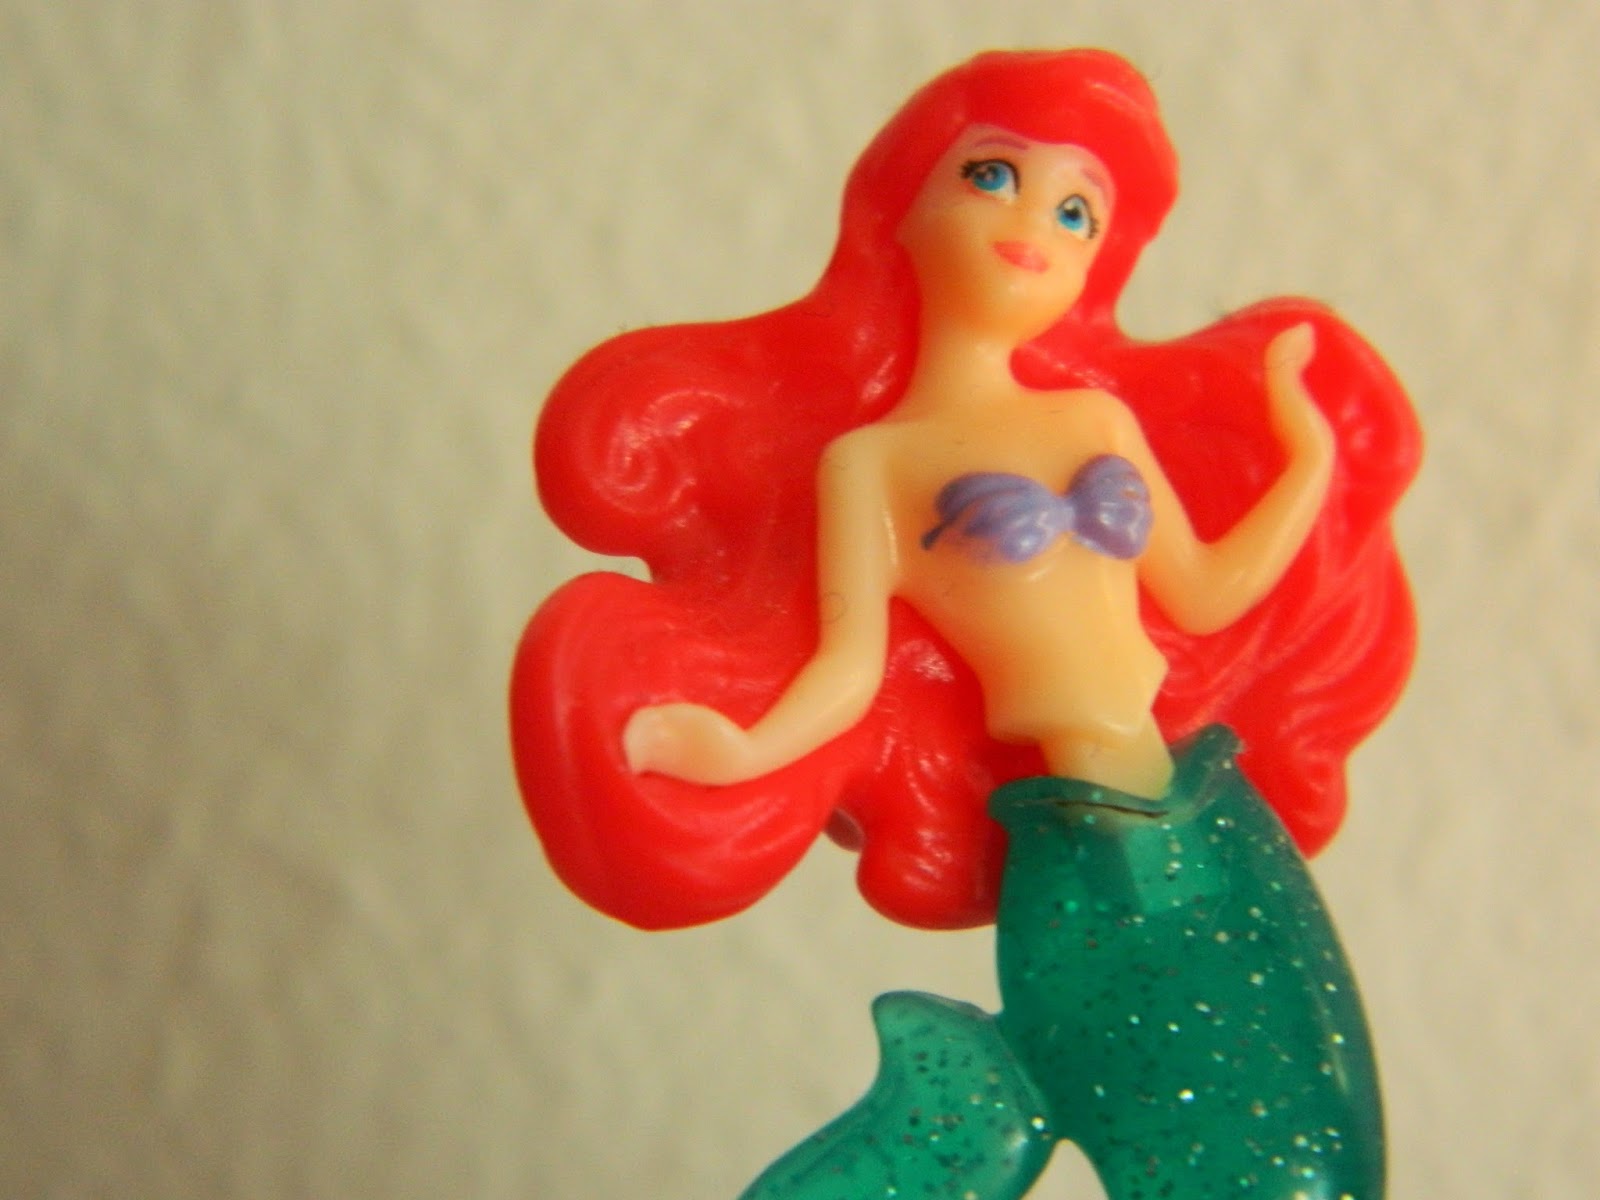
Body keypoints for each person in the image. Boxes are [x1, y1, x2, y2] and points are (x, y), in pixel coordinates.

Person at [512, 49, 1419, 937]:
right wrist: (743, 751)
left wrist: (1308, 454)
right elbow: (848, 670)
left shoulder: (1094, 422)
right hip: (1068, 835)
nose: (1033, 225)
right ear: (902, 209)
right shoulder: (874, 464)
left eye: (1076, 212)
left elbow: (1210, 592)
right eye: (992, 176)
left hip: (1193, 794)